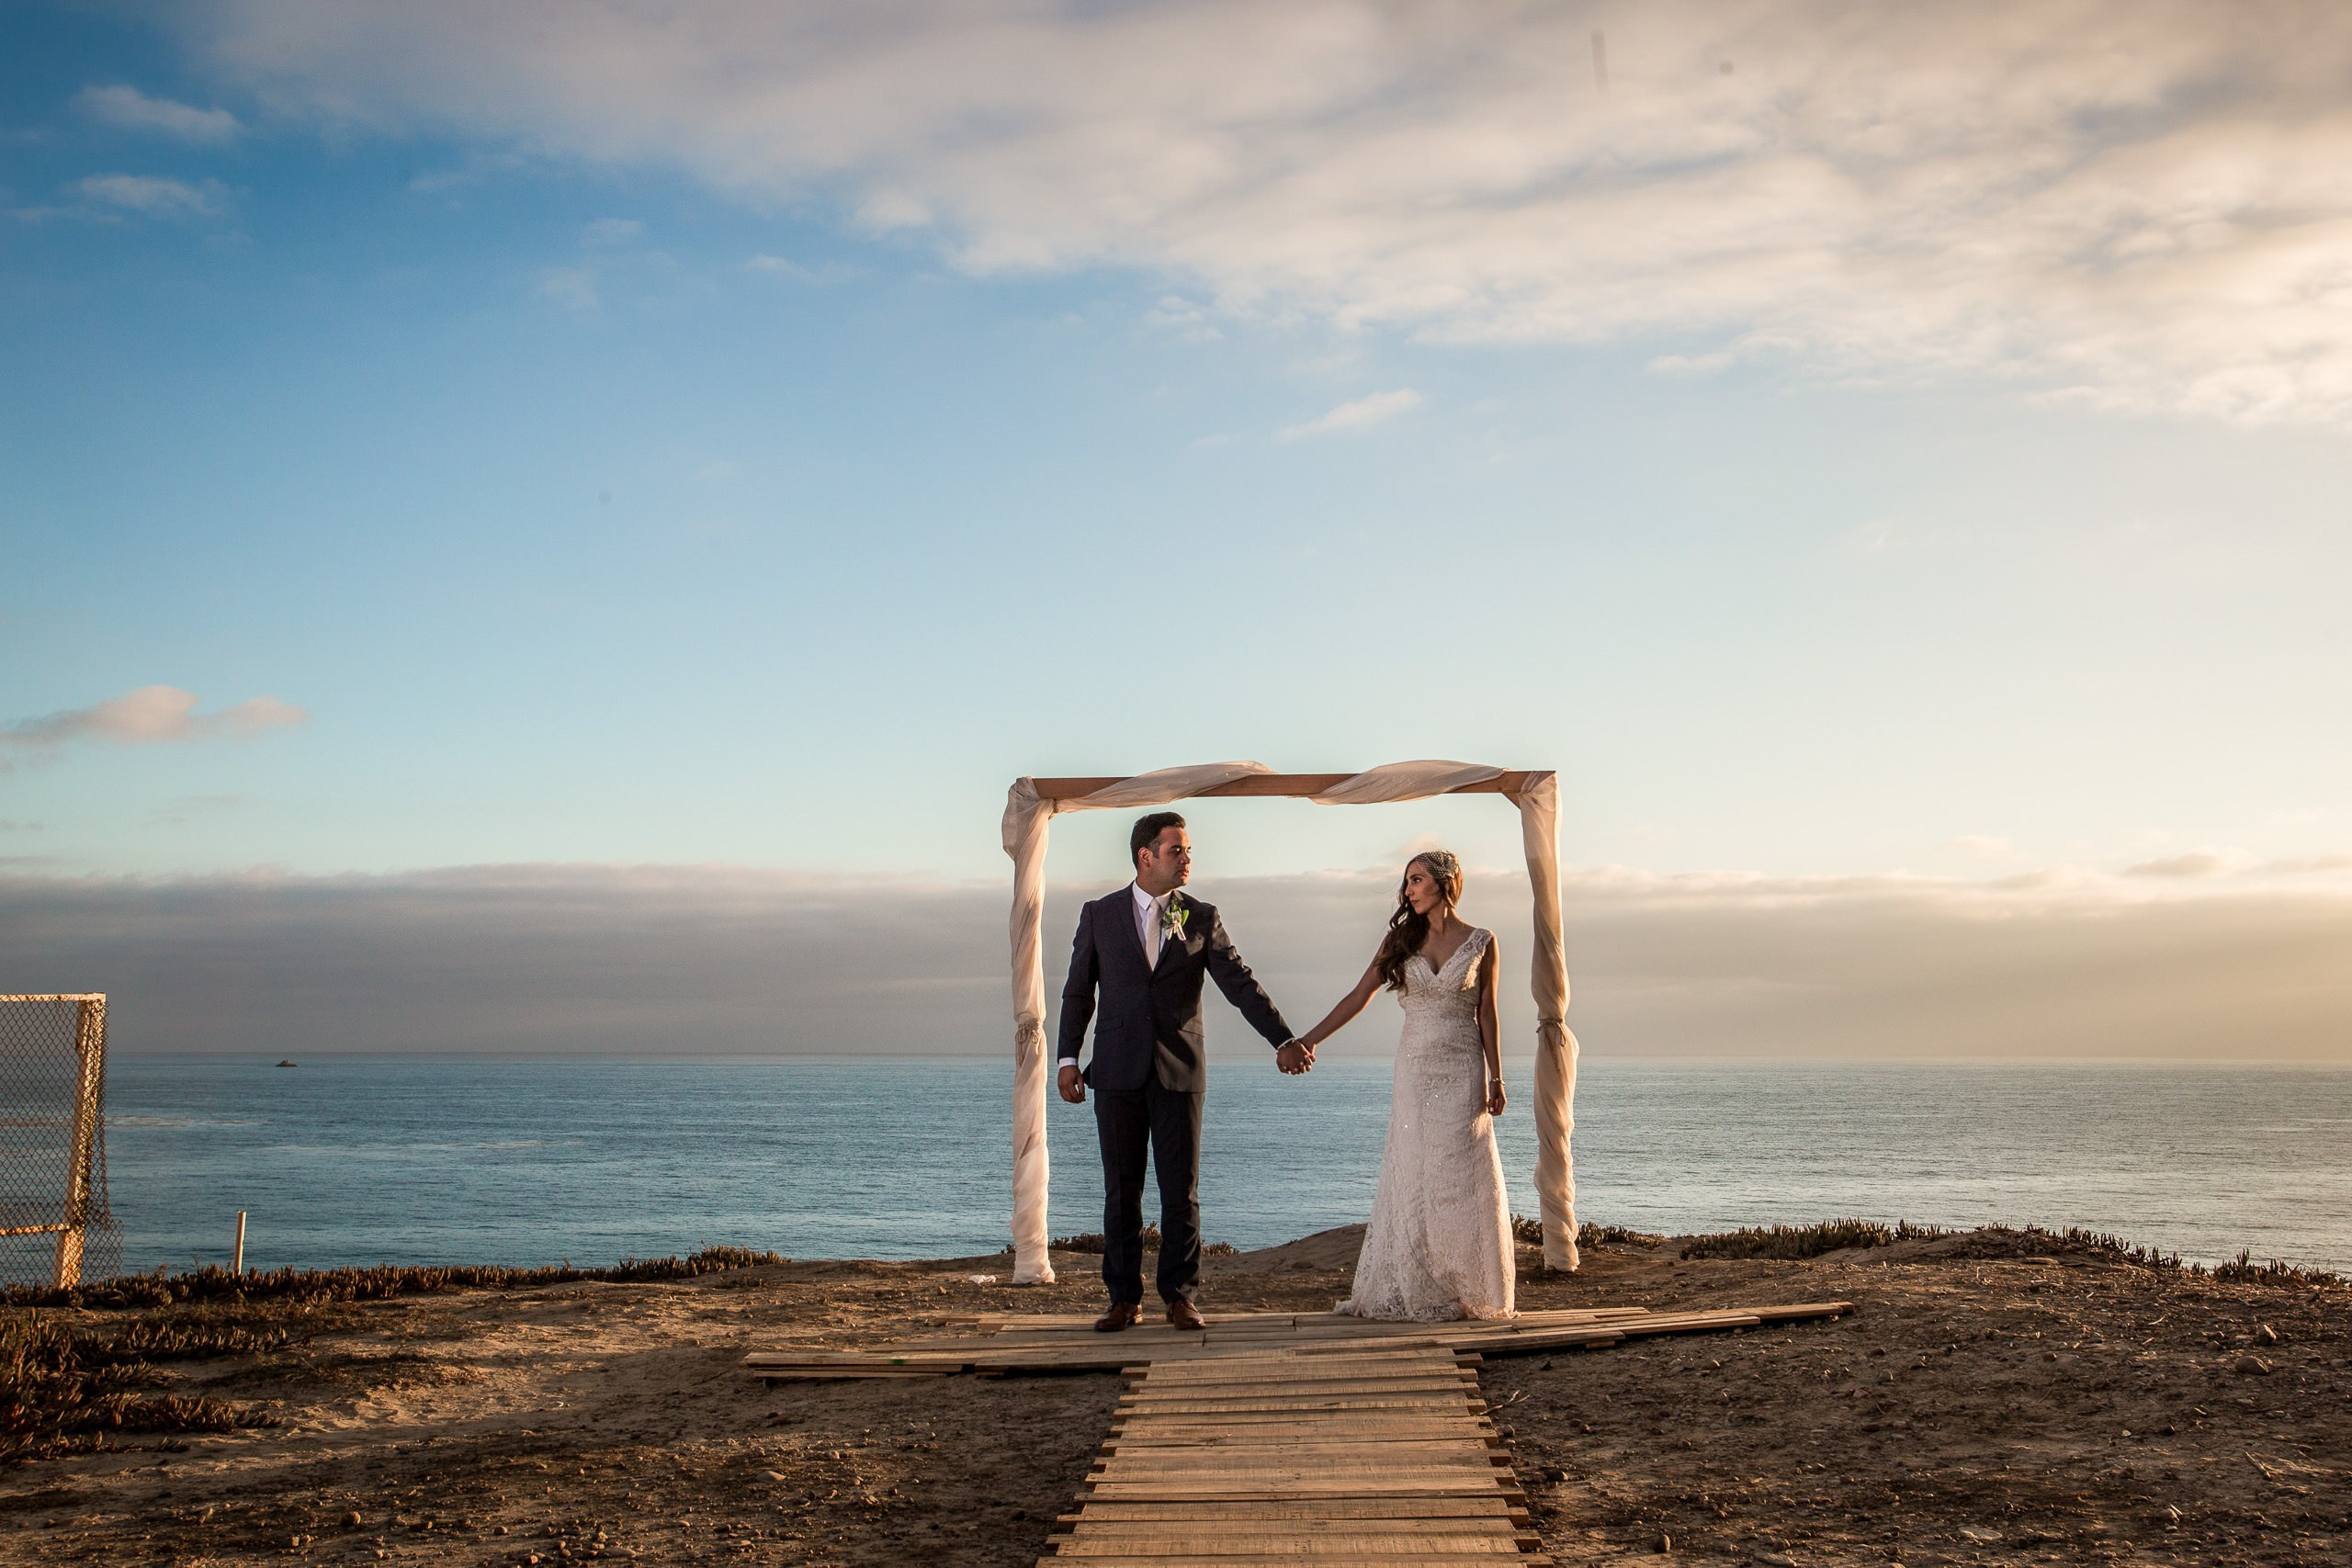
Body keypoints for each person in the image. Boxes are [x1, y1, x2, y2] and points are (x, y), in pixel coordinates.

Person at [1057, 810, 1312, 1332]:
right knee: (1120, 1190)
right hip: (1115, 1071)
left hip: (1180, 1071)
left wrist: (1283, 1038)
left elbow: (1240, 983)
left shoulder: (1201, 915)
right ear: (1144, 856)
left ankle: (1180, 1295)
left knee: (1181, 1191)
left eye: (1189, 851)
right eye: (1177, 850)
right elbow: (1079, 991)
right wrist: (1066, 1059)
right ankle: (1123, 1300)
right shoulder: (1099, 914)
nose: (1187, 859)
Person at [1295, 849, 1514, 1321]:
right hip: (1414, 1071)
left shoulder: (1482, 941)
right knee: (1415, 1171)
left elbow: (1487, 1012)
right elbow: (1359, 996)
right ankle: (1420, 1285)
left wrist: (1496, 1075)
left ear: (1445, 882)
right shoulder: (1400, 941)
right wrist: (1308, 1040)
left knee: (1461, 1177)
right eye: (1407, 883)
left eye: (1417, 880)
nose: (1409, 890)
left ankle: (1466, 1285)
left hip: (1463, 1071)